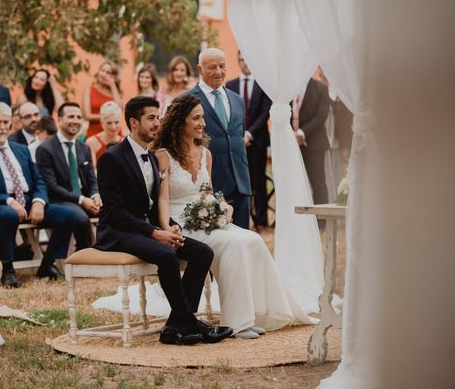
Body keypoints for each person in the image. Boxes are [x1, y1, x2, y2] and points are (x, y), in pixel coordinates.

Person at [154, 94, 315, 338]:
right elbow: (162, 198)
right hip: (179, 222)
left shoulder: (205, 153)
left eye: (203, 118)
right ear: (180, 122)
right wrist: (166, 226)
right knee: (232, 244)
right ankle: (237, 322)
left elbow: (206, 192)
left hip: (205, 219)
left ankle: (262, 312)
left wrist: (219, 209)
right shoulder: (163, 156)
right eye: (196, 118)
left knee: (252, 239)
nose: (202, 123)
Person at [95, 96, 231, 345]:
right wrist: (154, 233)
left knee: (202, 252)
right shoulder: (111, 158)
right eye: (151, 118)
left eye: (158, 117)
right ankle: (190, 322)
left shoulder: (153, 156)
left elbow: (152, 202)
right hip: (118, 232)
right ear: (134, 122)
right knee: (166, 255)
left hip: (146, 228)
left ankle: (173, 326)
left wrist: (169, 225)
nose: (157, 123)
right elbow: (114, 212)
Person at [0, 103, 81, 288]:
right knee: (8, 214)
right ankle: (8, 270)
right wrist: (9, 201)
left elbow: (39, 180)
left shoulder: (21, 150)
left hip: (27, 201)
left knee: (68, 215)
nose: (3, 127)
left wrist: (38, 201)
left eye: (6, 122)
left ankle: (47, 264)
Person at [186, 48, 252, 229]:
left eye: (222, 66)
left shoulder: (237, 99)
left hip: (241, 184)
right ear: (200, 69)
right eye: (212, 67)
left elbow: (237, 137)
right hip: (210, 184)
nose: (218, 72)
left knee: (243, 241)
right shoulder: (187, 100)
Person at [36, 102, 100, 250]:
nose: (75, 121)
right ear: (59, 120)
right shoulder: (45, 149)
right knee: (80, 217)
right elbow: (51, 186)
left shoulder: (84, 148)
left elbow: (91, 178)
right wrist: (81, 200)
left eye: (79, 117)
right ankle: (84, 258)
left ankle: (109, 255)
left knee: (115, 212)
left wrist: (95, 195)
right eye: (71, 116)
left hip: (85, 199)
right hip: (59, 200)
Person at [226, 52, 272, 233]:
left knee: (259, 182)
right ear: (238, 62)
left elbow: (265, 112)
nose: (245, 63)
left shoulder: (263, 85)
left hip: (257, 140)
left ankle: (261, 221)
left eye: (248, 59)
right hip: (236, 143)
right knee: (238, 182)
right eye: (242, 59)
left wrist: (250, 133)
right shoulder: (230, 85)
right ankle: (239, 220)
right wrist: (238, 136)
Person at [292, 77, 331, 206]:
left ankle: (321, 223)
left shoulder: (321, 88)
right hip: (292, 144)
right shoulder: (290, 87)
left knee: (318, 183)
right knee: (295, 183)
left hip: (314, 144)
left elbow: (321, 116)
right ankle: (300, 221)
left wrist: (301, 134)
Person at [83, 60, 123, 139]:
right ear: (98, 72)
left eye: (108, 73)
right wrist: (109, 117)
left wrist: (112, 85)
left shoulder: (114, 92)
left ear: (113, 76)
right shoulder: (89, 90)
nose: (104, 74)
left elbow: (120, 109)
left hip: (114, 133)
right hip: (95, 133)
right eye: (102, 71)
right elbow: (87, 115)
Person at [85, 101, 123, 168]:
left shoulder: (124, 142)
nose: (113, 127)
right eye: (109, 123)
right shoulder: (91, 142)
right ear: (102, 123)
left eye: (116, 122)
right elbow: (91, 170)